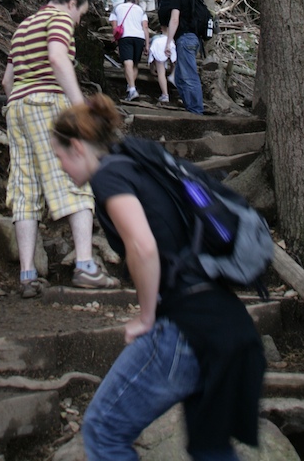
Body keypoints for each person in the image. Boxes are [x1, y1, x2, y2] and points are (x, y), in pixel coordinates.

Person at [51, 95, 265, 461]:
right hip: (228, 328)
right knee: (210, 450)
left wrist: (146, 316)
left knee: (103, 429)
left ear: (75, 147)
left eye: (59, 159)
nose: (62, 169)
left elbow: (143, 247)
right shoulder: (138, 162)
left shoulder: (108, 176)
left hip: (183, 331)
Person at [1, 0, 120, 297]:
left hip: (17, 108)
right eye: (80, 14)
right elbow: (56, 57)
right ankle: (85, 266)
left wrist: (19, 103)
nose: (78, 22)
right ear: (73, 2)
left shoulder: (24, 26)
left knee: (25, 188)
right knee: (72, 178)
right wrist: (79, 108)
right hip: (48, 103)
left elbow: (7, 82)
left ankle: (27, 274)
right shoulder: (59, 17)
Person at [164, 0, 203, 115]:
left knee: (189, 76)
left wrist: (168, 43)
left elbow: (174, 20)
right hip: (193, 39)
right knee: (180, 77)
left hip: (185, 39)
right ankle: (190, 105)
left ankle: (196, 110)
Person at [109, 0, 150, 102]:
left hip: (125, 36)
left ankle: (132, 89)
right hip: (139, 37)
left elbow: (114, 26)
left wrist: (116, 40)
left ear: (125, 2)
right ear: (134, 2)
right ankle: (130, 86)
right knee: (135, 64)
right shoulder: (140, 10)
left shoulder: (118, 8)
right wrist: (147, 44)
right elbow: (145, 27)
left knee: (127, 62)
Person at [148, 27, 177, 104]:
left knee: (161, 73)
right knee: (174, 61)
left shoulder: (155, 38)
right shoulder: (172, 37)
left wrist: (152, 70)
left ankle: (165, 95)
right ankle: (172, 74)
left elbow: (152, 57)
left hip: (158, 44)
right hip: (170, 42)